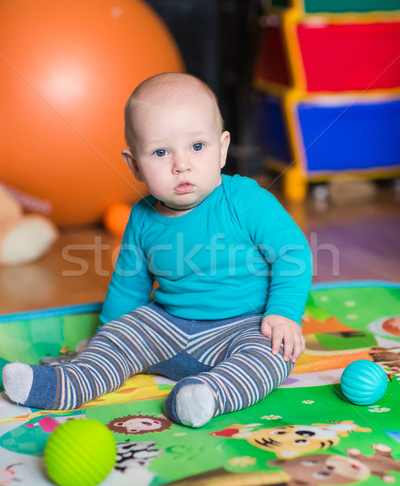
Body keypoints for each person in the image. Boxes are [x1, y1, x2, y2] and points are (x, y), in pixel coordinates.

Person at [2, 72, 312, 428]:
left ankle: (208, 394)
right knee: (122, 334)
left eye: (197, 147)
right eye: (161, 152)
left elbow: (293, 254)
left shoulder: (246, 199)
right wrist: (108, 335)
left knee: (274, 352)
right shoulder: (142, 216)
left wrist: (284, 313)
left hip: (243, 326)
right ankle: (65, 383)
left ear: (223, 148)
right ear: (134, 164)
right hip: (167, 325)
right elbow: (128, 284)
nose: (181, 164)